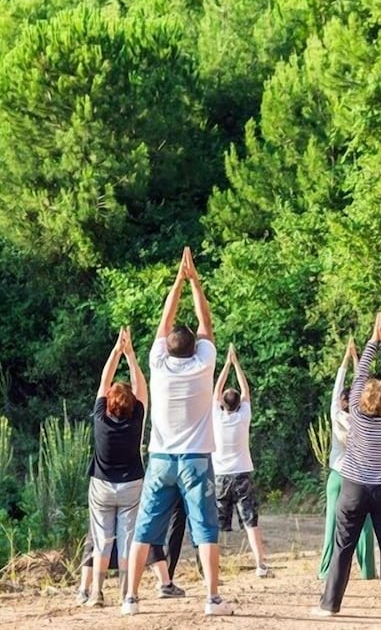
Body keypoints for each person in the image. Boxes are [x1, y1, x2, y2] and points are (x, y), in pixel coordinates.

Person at [123, 248, 232, 617]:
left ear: (167, 347)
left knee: (144, 529)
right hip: (196, 459)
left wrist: (178, 282)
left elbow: (165, 320)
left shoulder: (158, 364)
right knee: (205, 529)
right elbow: (206, 323)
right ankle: (212, 598)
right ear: (195, 348)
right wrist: (195, 282)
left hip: (160, 458)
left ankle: (131, 598)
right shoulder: (204, 363)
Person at [315, 313, 381, 619]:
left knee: (343, 546)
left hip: (354, 487)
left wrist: (372, 340)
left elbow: (360, 377)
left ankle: (330, 605)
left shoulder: (355, 414)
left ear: (361, 400)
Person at [85, 327, 147, 607]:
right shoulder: (136, 419)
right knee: (126, 540)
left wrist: (116, 351)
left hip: (101, 485)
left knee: (102, 540)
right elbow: (140, 387)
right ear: (132, 405)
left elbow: (104, 380)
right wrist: (131, 355)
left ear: (108, 404)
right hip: (132, 484)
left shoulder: (101, 418)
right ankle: (125, 595)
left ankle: (96, 593)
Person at [318, 338, 376, 581]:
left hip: (337, 476)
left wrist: (347, 358)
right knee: (365, 524)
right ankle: (368, 570)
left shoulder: (336, 415)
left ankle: (326, 570)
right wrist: (357, 360)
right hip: (360, 478)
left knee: (332, 523)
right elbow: (364, 390)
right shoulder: (363, 419)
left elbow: (337, 388)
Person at [212, 343, 271, 577]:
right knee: (250, 521)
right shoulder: (243, 417)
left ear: (222, 404)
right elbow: (246, 391)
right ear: (239, 404)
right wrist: (236, 364)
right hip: (242, 473)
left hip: (220, 475)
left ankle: (212, 566)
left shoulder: (217, 417)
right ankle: (260, 565)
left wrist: (226, 365)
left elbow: (216, 391)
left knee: (216, 524)